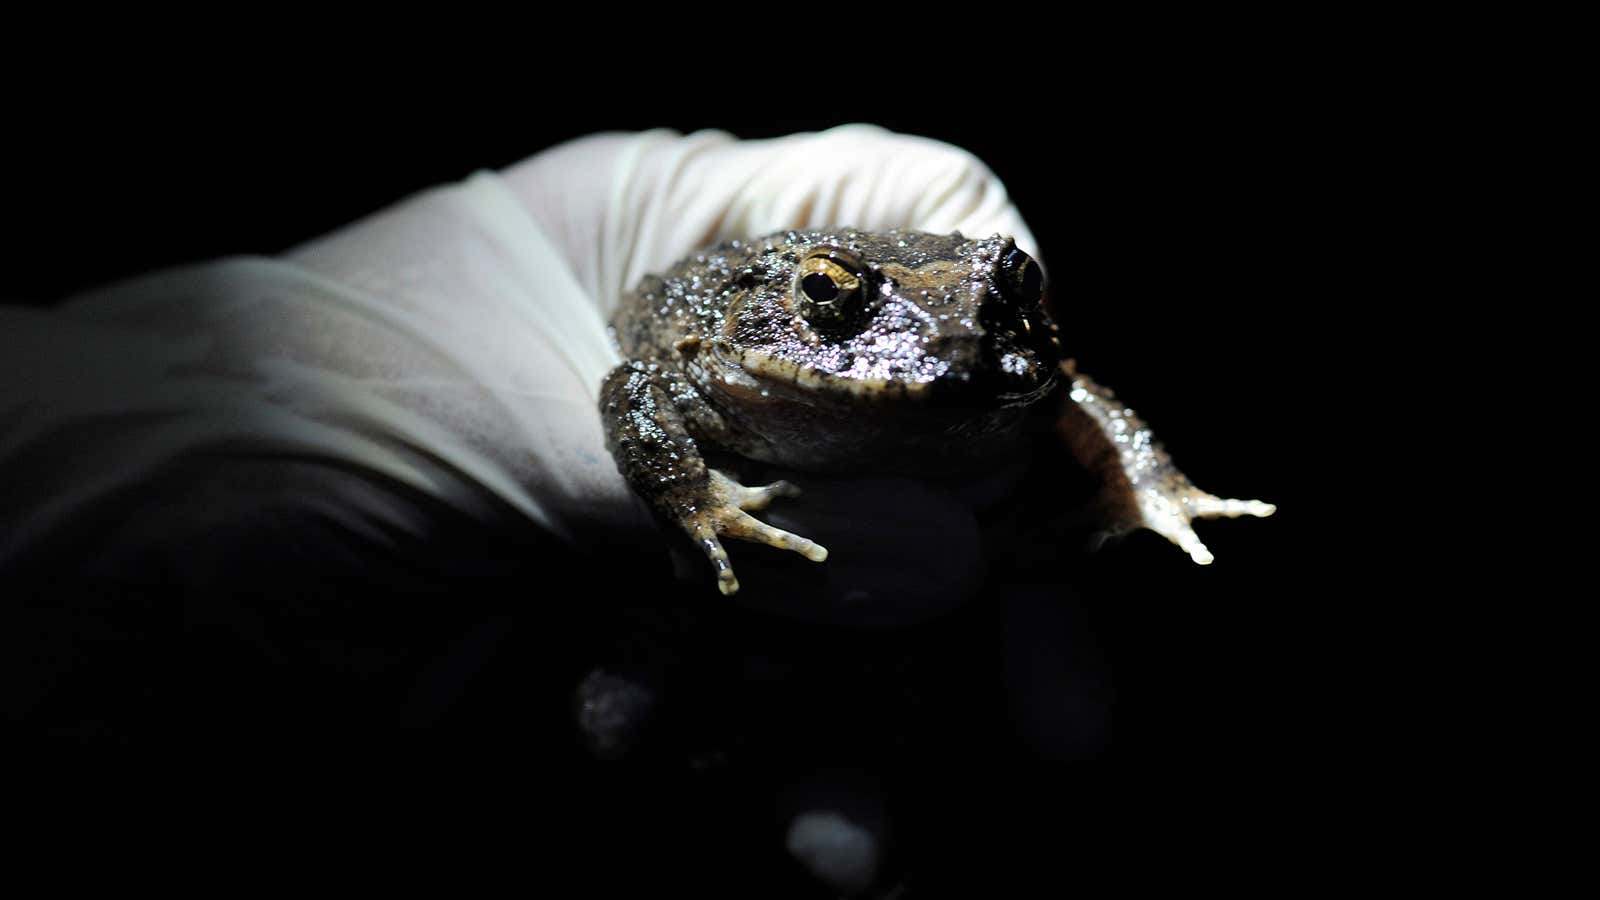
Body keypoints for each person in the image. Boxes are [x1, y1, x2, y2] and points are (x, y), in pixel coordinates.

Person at [3, 126, 1072, 893]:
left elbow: (1070, 392)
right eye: (838, 305)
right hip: (609, 595)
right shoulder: (729, 338)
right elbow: (637, 389)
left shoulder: (990, 357)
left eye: (1000, 302)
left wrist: (1135, 490)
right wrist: (689, 504)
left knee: (935, 703)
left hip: (886, 599)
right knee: (614, 726)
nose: (935, 349)